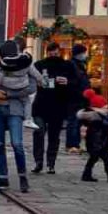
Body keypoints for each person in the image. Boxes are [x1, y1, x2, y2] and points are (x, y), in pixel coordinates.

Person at [0, 40, 38, 193]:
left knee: (17, 144)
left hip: (15, 109)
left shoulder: (26, 66)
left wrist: (10, 94)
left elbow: (32, 87)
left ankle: (22, 176)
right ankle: (2, 177)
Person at [31, 42, 75, 174]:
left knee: (54, 136)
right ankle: (38, 161)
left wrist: (67, 82)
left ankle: (51, 163)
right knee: (39, 132)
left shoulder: (67, 65)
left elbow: (76, 82)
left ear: (59, 52)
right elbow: (33, 81)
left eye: (55, 54)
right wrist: (47, 82)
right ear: (46, 52)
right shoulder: (39, 65)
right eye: (51, 54)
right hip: (41, 104)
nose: (53, 56)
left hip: (58, 105)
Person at [78, 89, 108, 183]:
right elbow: (107, 125)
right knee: (101, 157)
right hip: (99, 140)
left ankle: (89, 174)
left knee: (96, 158)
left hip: (96, 139)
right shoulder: (100, 117)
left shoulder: (89, 115)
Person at [65, 43, 90, 153]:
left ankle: (76, 143)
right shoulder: (72, 65)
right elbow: (72, 81)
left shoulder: (81, 64)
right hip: (74, 97)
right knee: (73, 121)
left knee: (78, 121)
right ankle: (71, 144)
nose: (85, 55)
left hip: (81, 97)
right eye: (84, 52)